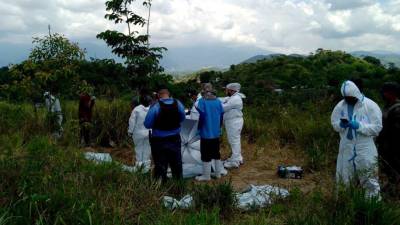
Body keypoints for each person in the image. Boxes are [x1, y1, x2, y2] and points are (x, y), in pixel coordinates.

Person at [331, 80, 382, 198]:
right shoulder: (340, 105)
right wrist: (341, 125)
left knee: (369, 179)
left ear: (357, 94)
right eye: (346, 97)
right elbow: (334, 124)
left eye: (350, 97)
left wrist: (359, 126)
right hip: (346, 146)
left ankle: (372, 207)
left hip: (365, 147)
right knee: (344, 178)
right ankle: (345, 205)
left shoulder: (370, 106)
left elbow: (377, 128)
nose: (348, 100)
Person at [144, 88, 186, 182]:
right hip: (175, 138)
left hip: (159, 140)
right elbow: (183, 118)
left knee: (160, 165)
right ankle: (179, 186)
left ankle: (161, 187)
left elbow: (147, 124)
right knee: (176, 164)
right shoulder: (178, 103)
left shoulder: (155, 106)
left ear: (159, 96)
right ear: (169, 94)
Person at [195, 83, 224, 181]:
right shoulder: (218, 101)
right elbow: (221, 115)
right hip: (216, 132)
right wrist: (219, 127)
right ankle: (218, 174)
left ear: (203, 90)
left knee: (206, 154)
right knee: (216, 153)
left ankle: (206, 176)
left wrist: (199, 128)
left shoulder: (202, 101)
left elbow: (202, 116)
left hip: (206, 132)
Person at [377, 82, 400, 185]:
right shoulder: (388, 106)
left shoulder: (397, 109)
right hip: (385, 150)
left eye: (384, 92)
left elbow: (396, 134)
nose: (382, 94)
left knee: (394, 174)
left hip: (393, 151)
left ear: (391, 93)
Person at [221, 83, 245, 169]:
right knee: (235, 140)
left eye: (227, 90)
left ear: (231, 90)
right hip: (234, 122)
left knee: (234, 141)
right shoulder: (233, 97)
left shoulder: (235, 99)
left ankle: (234, 162)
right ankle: (238, 158)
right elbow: (224, 100)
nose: (226, 91)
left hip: (233, 122)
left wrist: (215, 103)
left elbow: (223, 108)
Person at [128, 95, 152, 171]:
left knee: (138, 150)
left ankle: (139, 168)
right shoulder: (152, 109)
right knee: (147, 151)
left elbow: (132, 122)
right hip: (149, 132)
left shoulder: (136, 109)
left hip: (138, 133)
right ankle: (146, 169)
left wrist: (130, 132)